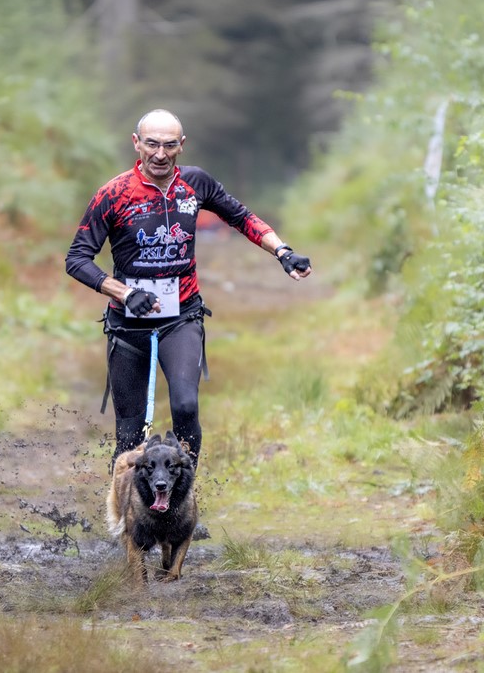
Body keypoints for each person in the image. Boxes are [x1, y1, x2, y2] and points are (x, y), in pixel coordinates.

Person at [65, 109, 312, 469]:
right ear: (137, 144)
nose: (160, 154)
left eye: (168, 145)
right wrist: (123, 293)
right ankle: (124, 517)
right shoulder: (114, 193)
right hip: (127, 321)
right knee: (130, 433)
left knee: (185, 405)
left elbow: (241, 217)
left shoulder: (195, 184)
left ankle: (182, 504)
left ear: (182, 145)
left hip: (181, 317)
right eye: (151, 144)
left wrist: (282, 251)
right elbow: (77, 258)